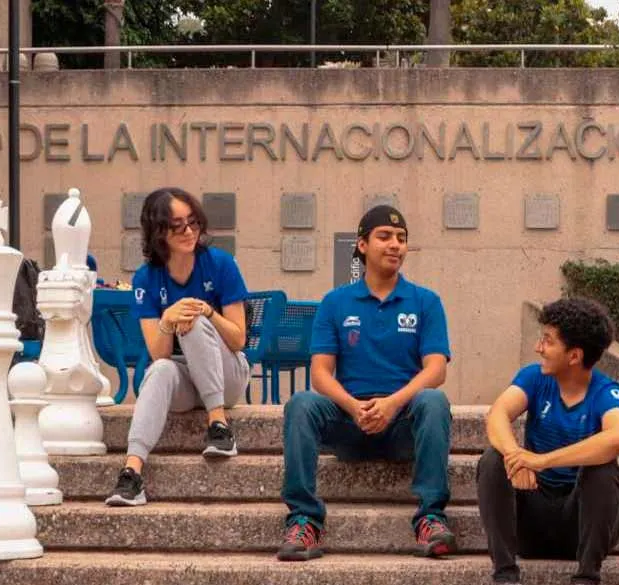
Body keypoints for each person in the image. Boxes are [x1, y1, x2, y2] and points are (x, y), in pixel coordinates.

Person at [277, 205, 454, 560]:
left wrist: (392, 404)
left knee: (434, 400)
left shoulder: (426, 302)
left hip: (403, 423)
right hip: (350, 422)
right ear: (361, 244)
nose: (395, 245)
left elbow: (436, 369)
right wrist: (354, 407)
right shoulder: (335, 302)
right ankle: (304, 520)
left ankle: (431, 516)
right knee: (301, 404)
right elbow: (321, 373)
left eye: (401, 239)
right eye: (385, 237)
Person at [478, 297, 619, 585]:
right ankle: (505, 582)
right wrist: (516, 458)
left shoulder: (606, 392)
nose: (538, 348)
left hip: (581, 525)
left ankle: (586, 584)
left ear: (574, 355)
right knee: (493, 459)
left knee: (604, 467)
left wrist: (542, 461)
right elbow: (498, 415)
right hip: (531, 523)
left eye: (548, 341)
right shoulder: (535, 379)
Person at [106, 188, 250, 507]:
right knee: (159, 369)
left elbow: (239, 339)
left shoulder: (221, 264)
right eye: (177, 226)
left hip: (229, 376)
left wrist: (207, 312)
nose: (188, 232)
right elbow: (159, 353)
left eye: (193, 223)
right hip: (188, 381)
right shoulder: (146, 278)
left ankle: (219, 426)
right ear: (158, 232)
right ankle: (132, 472)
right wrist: (167, 320)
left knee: (194, 319)